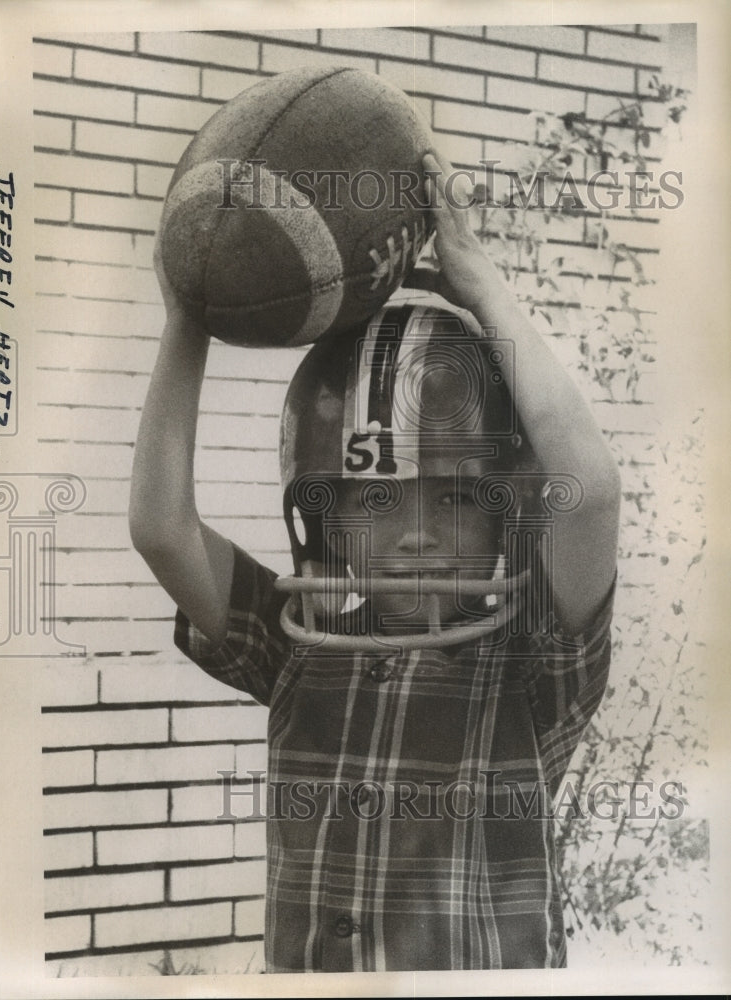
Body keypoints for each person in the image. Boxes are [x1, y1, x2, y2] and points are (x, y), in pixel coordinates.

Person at [129, 152, 621, 972]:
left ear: (502, 515)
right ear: (326, 517)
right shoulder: (300, 646)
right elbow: (160, 528)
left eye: (454, 498)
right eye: (378, 499)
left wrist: (486, 292)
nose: (417, 535)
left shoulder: (530, 667)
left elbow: (591, 491)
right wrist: (188, 318)